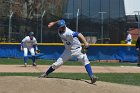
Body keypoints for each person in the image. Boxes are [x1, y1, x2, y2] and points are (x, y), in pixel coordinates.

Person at [39, 19, 97, 84]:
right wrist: (53, 23)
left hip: (78, 50)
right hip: (68, 51)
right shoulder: (59, 30)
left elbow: (79, 34)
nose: (63, 27)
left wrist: (85, 42)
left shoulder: (69, 32)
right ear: (59, 28)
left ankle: (92, 76)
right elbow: (60, 21)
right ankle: (46, 73)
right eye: (62, 27)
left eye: (64, 26)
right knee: (57, 64)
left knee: (85, 61)